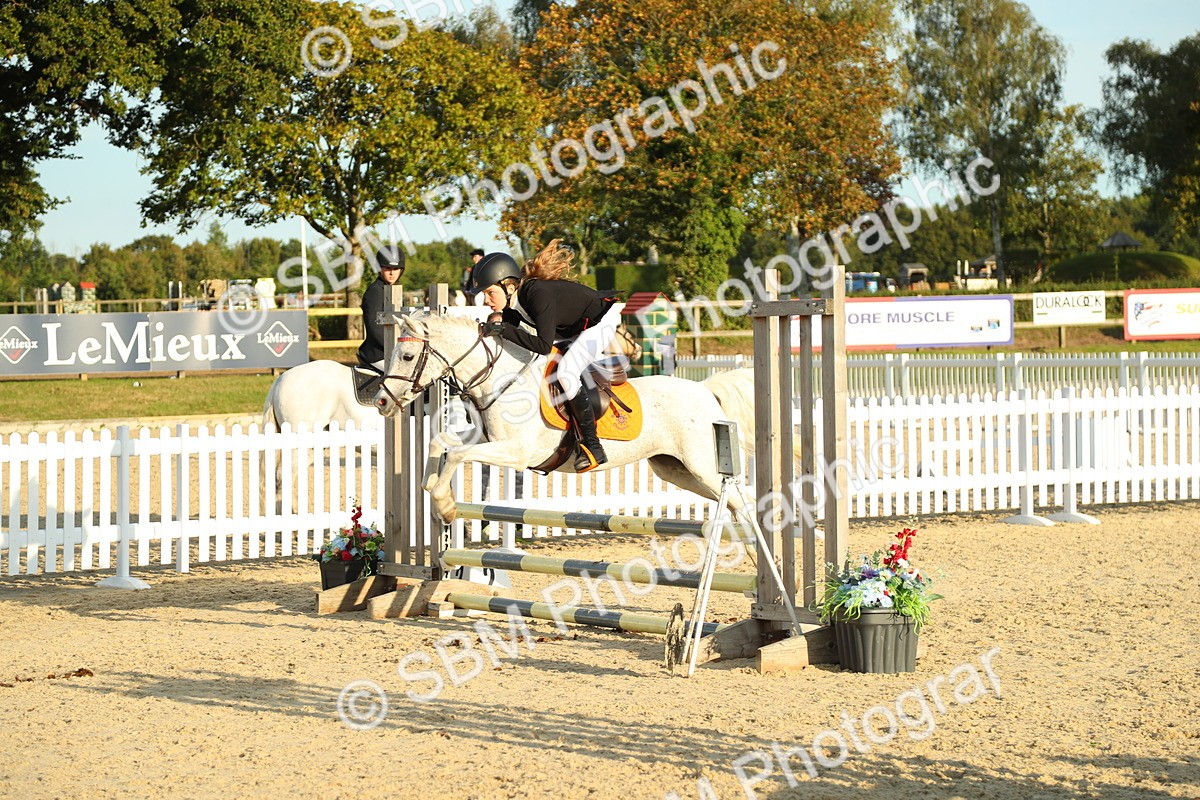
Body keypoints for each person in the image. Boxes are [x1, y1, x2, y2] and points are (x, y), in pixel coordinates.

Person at [472, 240, 621, 472]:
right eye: (484, 294)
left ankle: (593, 447)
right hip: (573, 329)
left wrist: (502, 328)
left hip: (599, 322)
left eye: (490, 292)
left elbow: (542, 345)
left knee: (567, 373)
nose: (486, 300)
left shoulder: (536, 294)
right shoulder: (514, 306)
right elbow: (515, 340)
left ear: (509, 287)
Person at [356, 247, 406, 371]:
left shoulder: (395, 291)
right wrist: (397, 348)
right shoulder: (375, 291)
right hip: (379, 354)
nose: (392, 273)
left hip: (394, 349)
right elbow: (374, 328)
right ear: (379, 269)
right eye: (387, 268)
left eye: (396, 269)